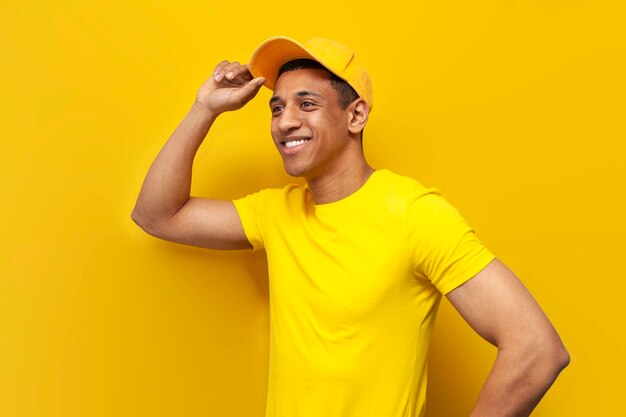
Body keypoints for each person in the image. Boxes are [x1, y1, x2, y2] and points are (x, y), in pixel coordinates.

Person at [131, 36, 569, 417]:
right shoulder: (274, 212)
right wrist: (203, 108)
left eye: (307, 104)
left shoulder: (414, 213)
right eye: (277, 107)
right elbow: (156, 215)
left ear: (355, 116)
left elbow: (536, 350)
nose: (285, 122)